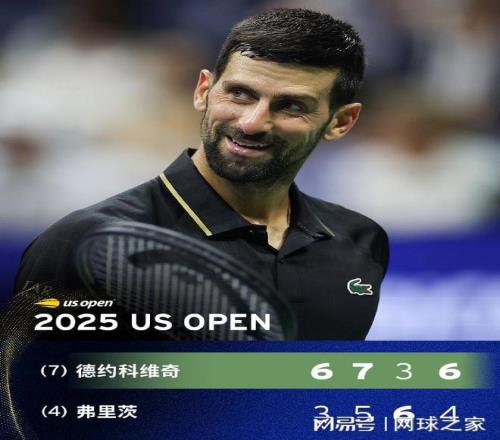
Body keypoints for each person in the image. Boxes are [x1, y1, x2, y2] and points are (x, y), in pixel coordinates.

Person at [14, 8, 389, 339]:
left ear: (341, 122)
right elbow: (35, 392)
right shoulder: (83, 244)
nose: (251, 122)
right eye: (239, 93)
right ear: (203, 91)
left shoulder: (361, 242)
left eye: (291, 106)